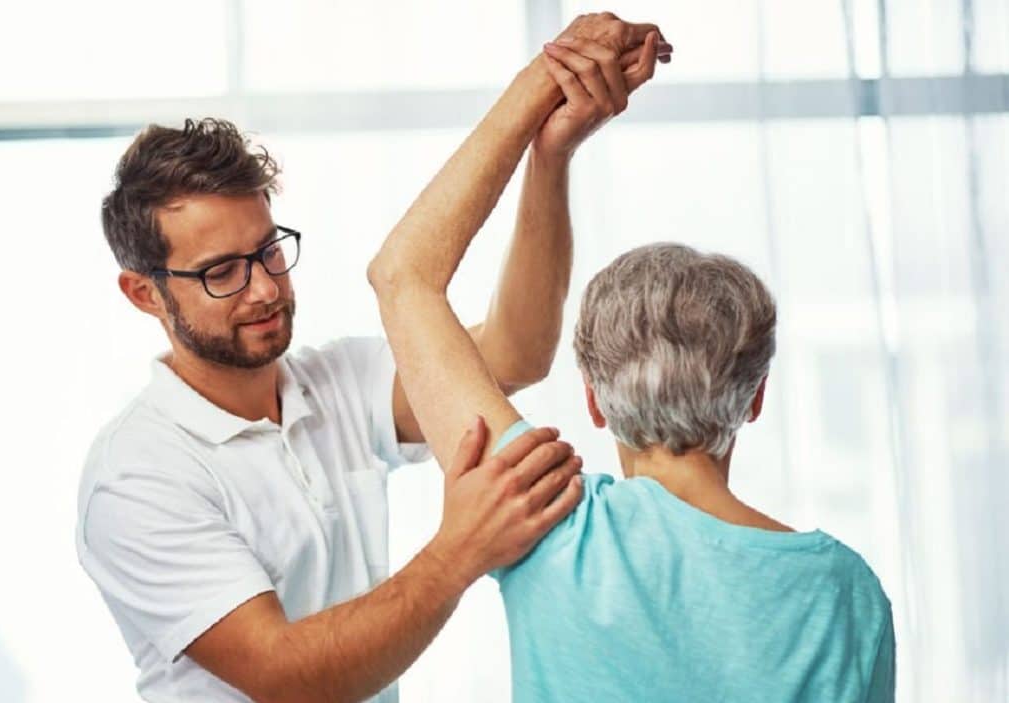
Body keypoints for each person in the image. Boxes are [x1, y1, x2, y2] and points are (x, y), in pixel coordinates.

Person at [75, 12, 670, 702]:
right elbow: (284, 675)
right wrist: (460, 551)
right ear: (144, 293)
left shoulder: (339, 382)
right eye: (222, 272)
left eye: (269, 249)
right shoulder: (136, 474)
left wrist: (552, 155)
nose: (265, 287)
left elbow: (517, 350)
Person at [367, 20, 896, 703]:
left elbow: (402, 274)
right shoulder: (848, 592)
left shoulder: (552, 526)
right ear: (756, 395)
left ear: (593, 398)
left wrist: (544, 86)